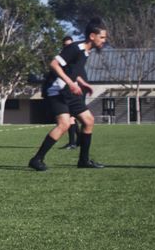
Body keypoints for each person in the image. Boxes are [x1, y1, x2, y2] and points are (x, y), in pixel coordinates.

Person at [29, 20, 108, 172]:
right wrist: (71, 84)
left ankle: (83, 160)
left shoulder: (85, 52)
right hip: (56, 91)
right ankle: (37, 159)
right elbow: (54, 64)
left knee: (88, 120)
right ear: (92, 36)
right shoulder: (75, 48)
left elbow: (71, 71)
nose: (104, 40)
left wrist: (81, 82)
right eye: (102, 37)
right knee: (64, 124)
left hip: (67, 91)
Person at [57, 35, 81, 150]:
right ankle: (77, 140)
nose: (68, 47)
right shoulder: (62, 58)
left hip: (74, 89)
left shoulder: (76, 57)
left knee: (71, 118)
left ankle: (73, 142)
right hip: (66, 89)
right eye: (65, 45)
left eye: (70, 45)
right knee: (72, 117)